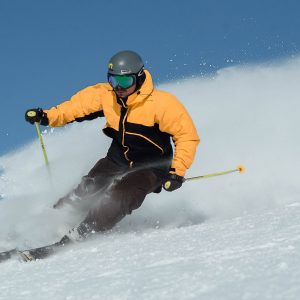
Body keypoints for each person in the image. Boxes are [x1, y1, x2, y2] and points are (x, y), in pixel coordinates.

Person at [25, 50, 200, 242]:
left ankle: (83, 232)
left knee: (119, 196)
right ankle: (51, 222)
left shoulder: (161, 104)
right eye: (113, 80)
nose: (118, 87)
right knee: (88, 188)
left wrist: (177, 172)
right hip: (118, 159)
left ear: (139, 77)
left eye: (124, 82)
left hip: (152, 167)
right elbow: (76, 107)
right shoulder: (107, 95)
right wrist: (48, 116)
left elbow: (187, 136)